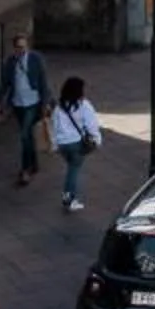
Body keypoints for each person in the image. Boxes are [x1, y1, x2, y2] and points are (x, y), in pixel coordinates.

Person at [2, 32, 51, 187]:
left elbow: (43, 82)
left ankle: (25, 170)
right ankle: (34, 164)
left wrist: (45, 103)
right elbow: (5, 84)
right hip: (18, 104)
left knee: (24, 136)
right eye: (18, 47)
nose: (21, 50)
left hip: (32, 104)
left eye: (24, 47)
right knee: (28, 135)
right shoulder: (11, 62)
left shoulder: (36, 59)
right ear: (14, 48)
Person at [50, 76, 105, 212]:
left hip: (63, 145)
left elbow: (54, 126)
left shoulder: (59, 107)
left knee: (71, 167)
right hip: (76, 144)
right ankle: (69, 198)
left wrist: (55, 144)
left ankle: (68, 197)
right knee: (73, 171)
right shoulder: (84, 105)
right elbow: (92, 125)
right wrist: (97, 139)